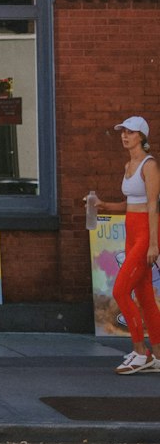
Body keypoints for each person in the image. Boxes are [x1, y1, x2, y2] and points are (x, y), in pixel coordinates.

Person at [87, 115, 160, 373]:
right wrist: (104, 205)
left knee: (120, 291)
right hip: (131, 232)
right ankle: (159, 357)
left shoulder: (149, 166)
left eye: (129, 132)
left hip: (145, 235)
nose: (124, 136)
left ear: (141, 136)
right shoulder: (129, 164)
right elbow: (130, 205)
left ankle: (141, 353)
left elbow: (153, 206)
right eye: (122, 132)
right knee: (145, 296)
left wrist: (153, 244)